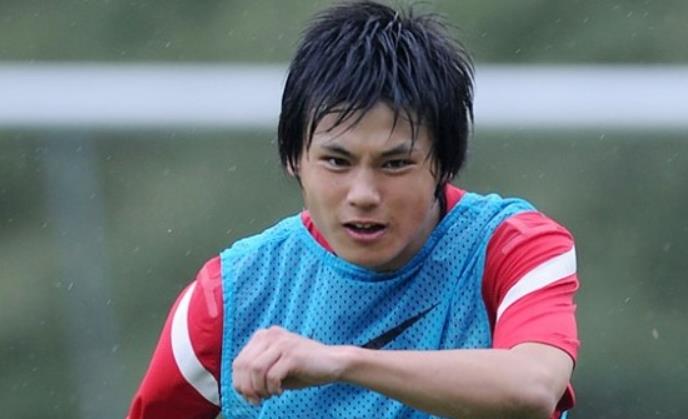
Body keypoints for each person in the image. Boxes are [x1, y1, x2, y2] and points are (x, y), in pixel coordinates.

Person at [126, 1, 579, 418]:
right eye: (337, 161)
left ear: (443, 163)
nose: (363, 193)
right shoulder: (228, 297)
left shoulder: (513, 248)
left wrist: (341, 362)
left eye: (395, 164)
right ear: (294, 158)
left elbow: (533, 387)